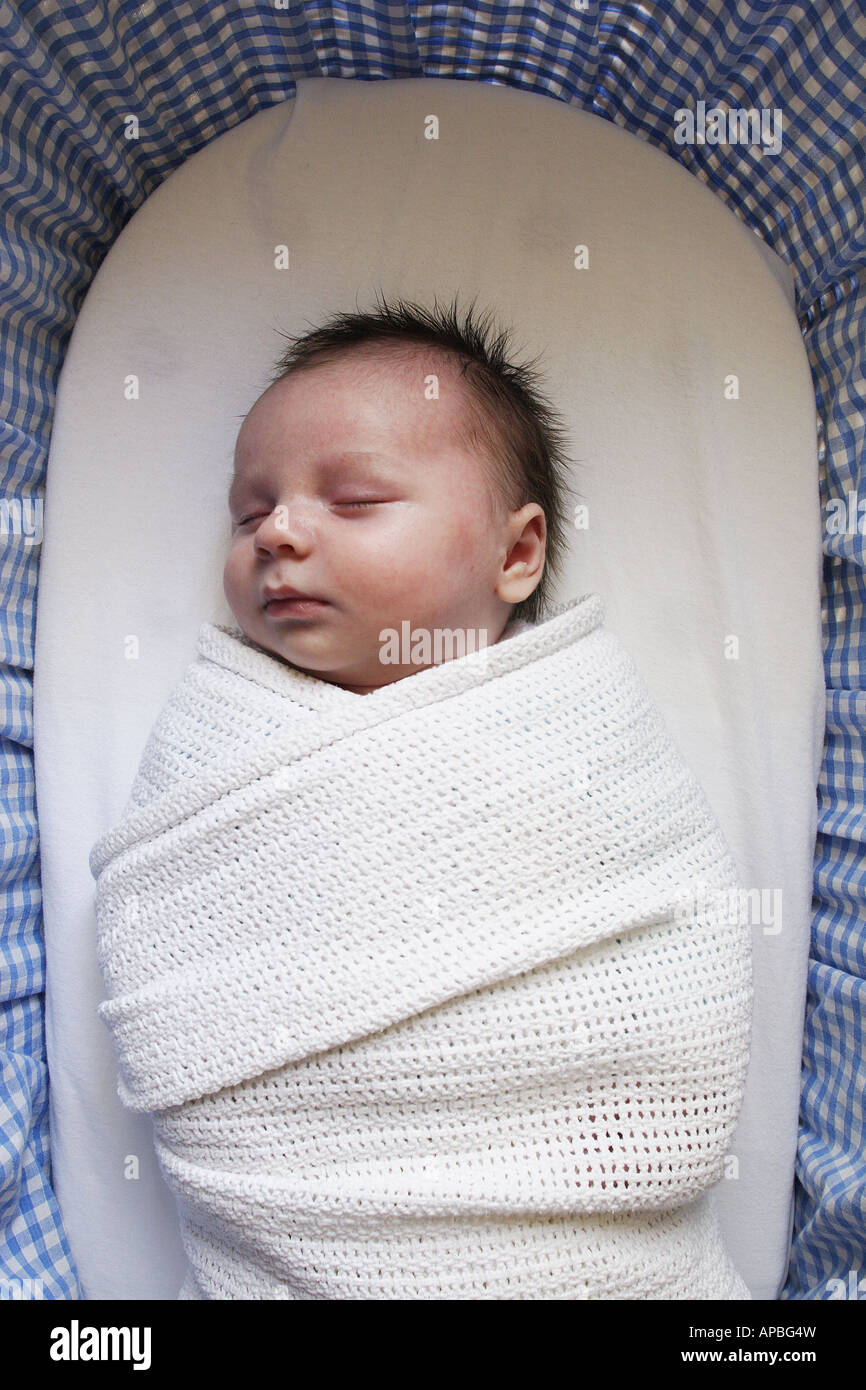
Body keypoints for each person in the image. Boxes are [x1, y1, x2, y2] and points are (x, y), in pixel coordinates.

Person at [91, 293, 753, 1300]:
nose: (277, 532)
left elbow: (669, 969)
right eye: (248, 510)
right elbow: (167, 952)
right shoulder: (216, 735)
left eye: (352, 499)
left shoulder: (575, 722)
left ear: (515, 553)